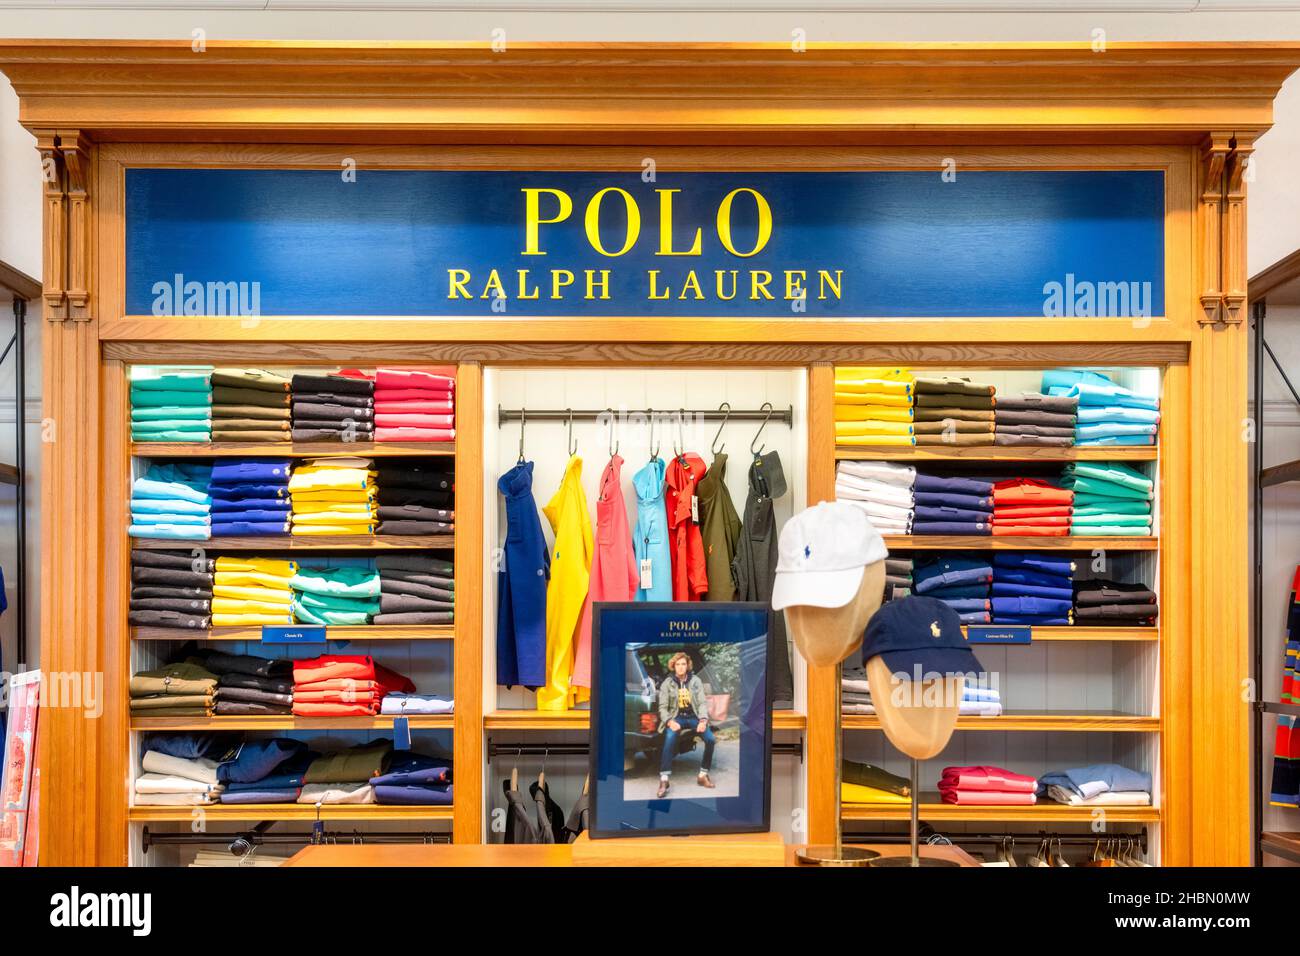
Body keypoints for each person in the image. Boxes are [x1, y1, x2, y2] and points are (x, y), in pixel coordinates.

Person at [656, 651, 716, 798]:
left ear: (687, 666)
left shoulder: (695, 681)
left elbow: (702, 702)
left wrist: (703, 720)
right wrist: (670, 721)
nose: (681, 667)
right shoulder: (667, 683)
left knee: (711, 739)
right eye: (678, 664)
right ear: (673, 666)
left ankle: (703, 775)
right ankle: (664, 780)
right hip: (676, 717)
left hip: (694, 716)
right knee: (670, 738)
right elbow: (662, 708)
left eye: (684, 664)